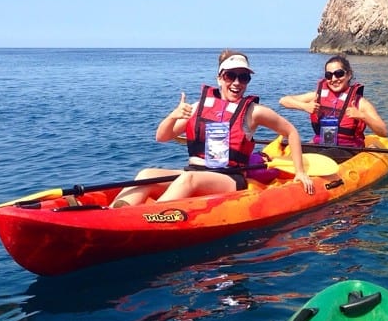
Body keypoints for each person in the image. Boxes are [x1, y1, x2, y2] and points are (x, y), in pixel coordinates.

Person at [111, 50, 314, 207]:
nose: (237, 82)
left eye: (243, 77)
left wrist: (300, 172)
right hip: (195, 172)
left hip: (229, 179)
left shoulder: (254, 112)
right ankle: (112, 214)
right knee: (147, 174)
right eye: (230, 76)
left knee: (190, 179)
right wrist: (173, 115)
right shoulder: (200, 107)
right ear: (219, 78)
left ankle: (147, 218)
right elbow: (162, 137)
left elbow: (291, 132)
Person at [279, 55, 388, 148]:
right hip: (321, 146)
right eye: (329, 75)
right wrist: (304, 106)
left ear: (349, 75)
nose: (334, 79)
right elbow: (283, 101)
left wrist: (361, 115)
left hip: (348, 150)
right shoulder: (317, 96)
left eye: (339, 73)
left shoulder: (360, 103)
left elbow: (383, 132)